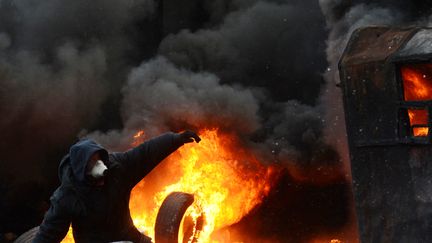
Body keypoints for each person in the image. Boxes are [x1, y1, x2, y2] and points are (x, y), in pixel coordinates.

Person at [32, 130, 201, 243]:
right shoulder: (67, 196)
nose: (100, 169)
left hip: (129, 236)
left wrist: (175, 139)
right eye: (92, 164)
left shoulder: (117, 169)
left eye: (99, 159)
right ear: (81, 171)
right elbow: (49, 233)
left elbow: (146, 153)